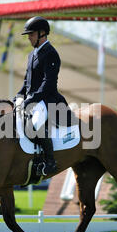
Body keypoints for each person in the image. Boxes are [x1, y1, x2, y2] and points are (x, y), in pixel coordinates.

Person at [13, 16, 68, 176]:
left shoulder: (51, 53)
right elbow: (27, 81)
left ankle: (50, 162)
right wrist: (18, 96)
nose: (29, 37)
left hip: (47, 99)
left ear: (42, 33)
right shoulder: (32, 55)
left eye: (31, 34)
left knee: (34, 124)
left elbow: (48, 82)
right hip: (32, 99)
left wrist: (33, 98)